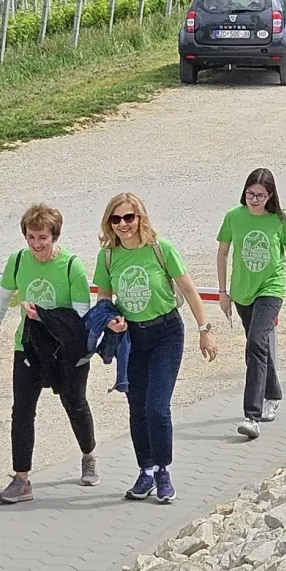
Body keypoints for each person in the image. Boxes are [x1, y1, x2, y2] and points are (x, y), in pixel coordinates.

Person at [94, 192, 218, 504]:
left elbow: (188, 288)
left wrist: (205, 330)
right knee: (137, 407)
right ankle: (145, 470)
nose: (123, 224)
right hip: (133, 337)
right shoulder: (108, 256)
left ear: (140, 218)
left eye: (128, 217)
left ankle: (163, 470)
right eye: (116, 219)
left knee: (157, 406)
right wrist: (110, 321)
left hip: (166, 332)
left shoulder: (161, 248)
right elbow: (104, 298)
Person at [0, 204, 98, 506]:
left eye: (43, 238)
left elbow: (80, 316)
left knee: (74, 403)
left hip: (65, 348)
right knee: (22, 410)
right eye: (31, 237)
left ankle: (88, 454)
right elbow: (4, 293)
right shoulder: (19, 260)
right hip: (29, 346)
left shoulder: (72, 265)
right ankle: (21, 479)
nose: (36, 245)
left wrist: (45, 317)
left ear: (54, 237)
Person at [216, 169, 286, 441]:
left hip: (271, 288)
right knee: (257, 344)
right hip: (243, 291)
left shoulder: (277, 220)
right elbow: (223, 252)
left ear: (270, 196)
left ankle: (252, 415)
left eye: (260, 195)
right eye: (250, 193)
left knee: (255, 344)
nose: (254, 199)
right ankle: (273, 393)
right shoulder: (233, 218)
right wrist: (223, 292)